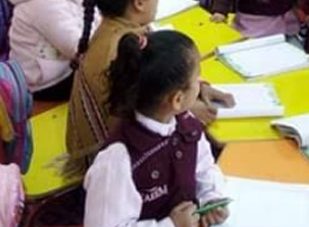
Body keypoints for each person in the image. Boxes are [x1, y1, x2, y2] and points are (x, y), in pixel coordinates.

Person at [67, 0, 234, 170]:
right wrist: (187, 108)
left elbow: (159, 74)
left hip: (107, 142)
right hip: (107, 158)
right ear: (139, 3)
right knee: (204, 149)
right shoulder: (119, 48)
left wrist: (199, 87)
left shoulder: (121, 32)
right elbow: (140, 112)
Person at [83, 31, 229, 227]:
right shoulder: (117, 161)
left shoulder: (188, 125)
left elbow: (205, 168)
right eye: (197, 78)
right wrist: (171, 224)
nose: (200, 83)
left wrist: (211, 197)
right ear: (177, 100)